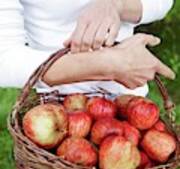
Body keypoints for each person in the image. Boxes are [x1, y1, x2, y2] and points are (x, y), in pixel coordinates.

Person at [0, 0, 175, 97]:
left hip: (129, 105)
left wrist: (116, 5)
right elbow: (4, 61)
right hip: (54, 109)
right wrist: (108, 65)